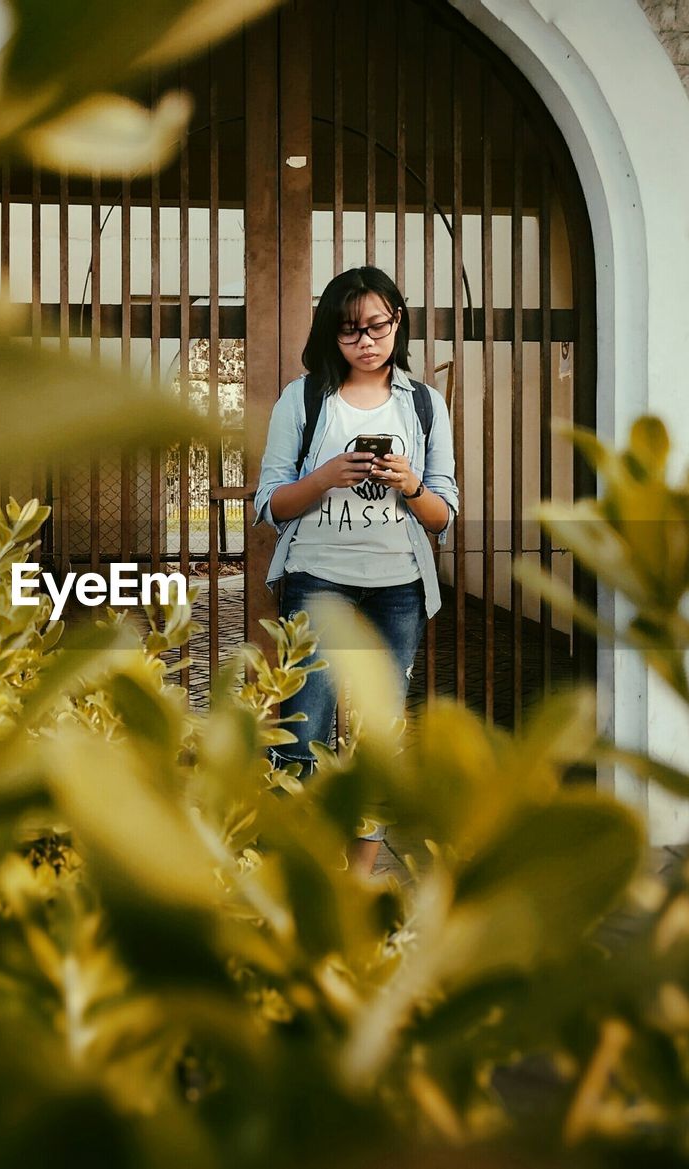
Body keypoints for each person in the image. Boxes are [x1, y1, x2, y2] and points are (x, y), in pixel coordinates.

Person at [252, 266, 459, 874]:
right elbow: (268, 505)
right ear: (331, 334)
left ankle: (358, 879)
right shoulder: (305, 399)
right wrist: (324, 478)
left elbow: (442, 515)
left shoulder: (424, 404)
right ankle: (305, 870)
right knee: (301, 729)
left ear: (398, 320)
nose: (366, 341)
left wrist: (410, 482)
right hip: (317, 581)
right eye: (350, 331)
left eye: (377, 325)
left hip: (398, 589)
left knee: (378, 735)